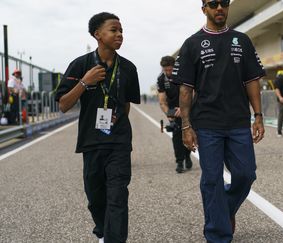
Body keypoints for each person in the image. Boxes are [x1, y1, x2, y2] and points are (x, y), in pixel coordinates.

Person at [173, 0, 266, 241]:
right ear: (203, 8)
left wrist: (258, 116)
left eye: (224, 2)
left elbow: (252, 81)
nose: (219, 8)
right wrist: (186, 126)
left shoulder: (242, 40)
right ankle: (217, 235)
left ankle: (223, 210)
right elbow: (185, 90)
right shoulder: (192, 43)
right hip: (206, 123)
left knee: (246, 174)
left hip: (238, 122)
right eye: (213, 4)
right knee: (212, 180)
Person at [55, 12, 140, 243]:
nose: (120, 34)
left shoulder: (129, 68)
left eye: (121, 30)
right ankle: (103, 232)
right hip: (91, 142)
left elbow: (126, 104)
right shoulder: (80, 64)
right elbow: (63, 104)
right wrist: (85, 82)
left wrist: (117, 119)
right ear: (98, 34)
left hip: (119, 142)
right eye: (114, 30)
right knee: (96, 198)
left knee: (118, 196)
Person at [157, 55, 193, 173]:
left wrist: (184, 109)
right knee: (177, 136)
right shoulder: (161, 79)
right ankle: (179, 161)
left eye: (170, 69)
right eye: (165, 70)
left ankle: (187, 155)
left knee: (188, 131)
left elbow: (191, 93)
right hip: (173, 110)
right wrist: (168, 113)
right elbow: (162, 101)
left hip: (187, 107)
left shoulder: (183, 74)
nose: (168, 72)